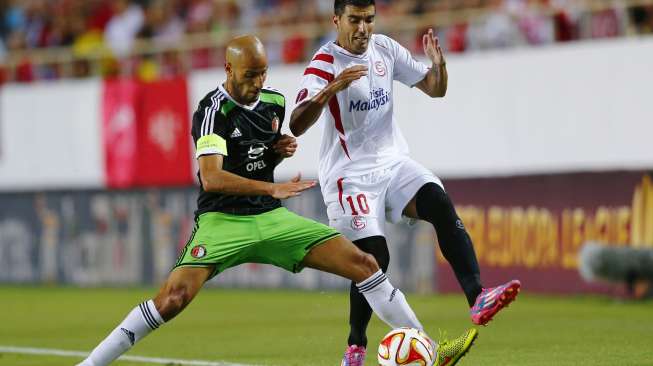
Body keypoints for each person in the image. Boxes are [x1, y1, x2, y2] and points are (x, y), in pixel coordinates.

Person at [77, 35, 478, 366]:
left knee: (365, 265)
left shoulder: (273, 102)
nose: (257, 82)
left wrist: (277, 149)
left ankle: (426, 349)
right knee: (174, 298)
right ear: (228, 70)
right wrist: (270, 187)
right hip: (223, 222)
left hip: (271, 218)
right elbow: (213, 178)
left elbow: (258, 150)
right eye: (249, 75)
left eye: (263, 73)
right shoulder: (211, 111)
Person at [289, 1, 521, 364]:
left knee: (438, 201)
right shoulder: (324, 63)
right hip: (349, 178)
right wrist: (331, 88)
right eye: (355, 20)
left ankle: (478, 297)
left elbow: (434, 88)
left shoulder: (385, 49)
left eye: (369, 19)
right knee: (372, 259)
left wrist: (440, 68)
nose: (363, 28)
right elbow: (297, 123)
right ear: (337, 20)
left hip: (391, 162)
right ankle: (357, 346)